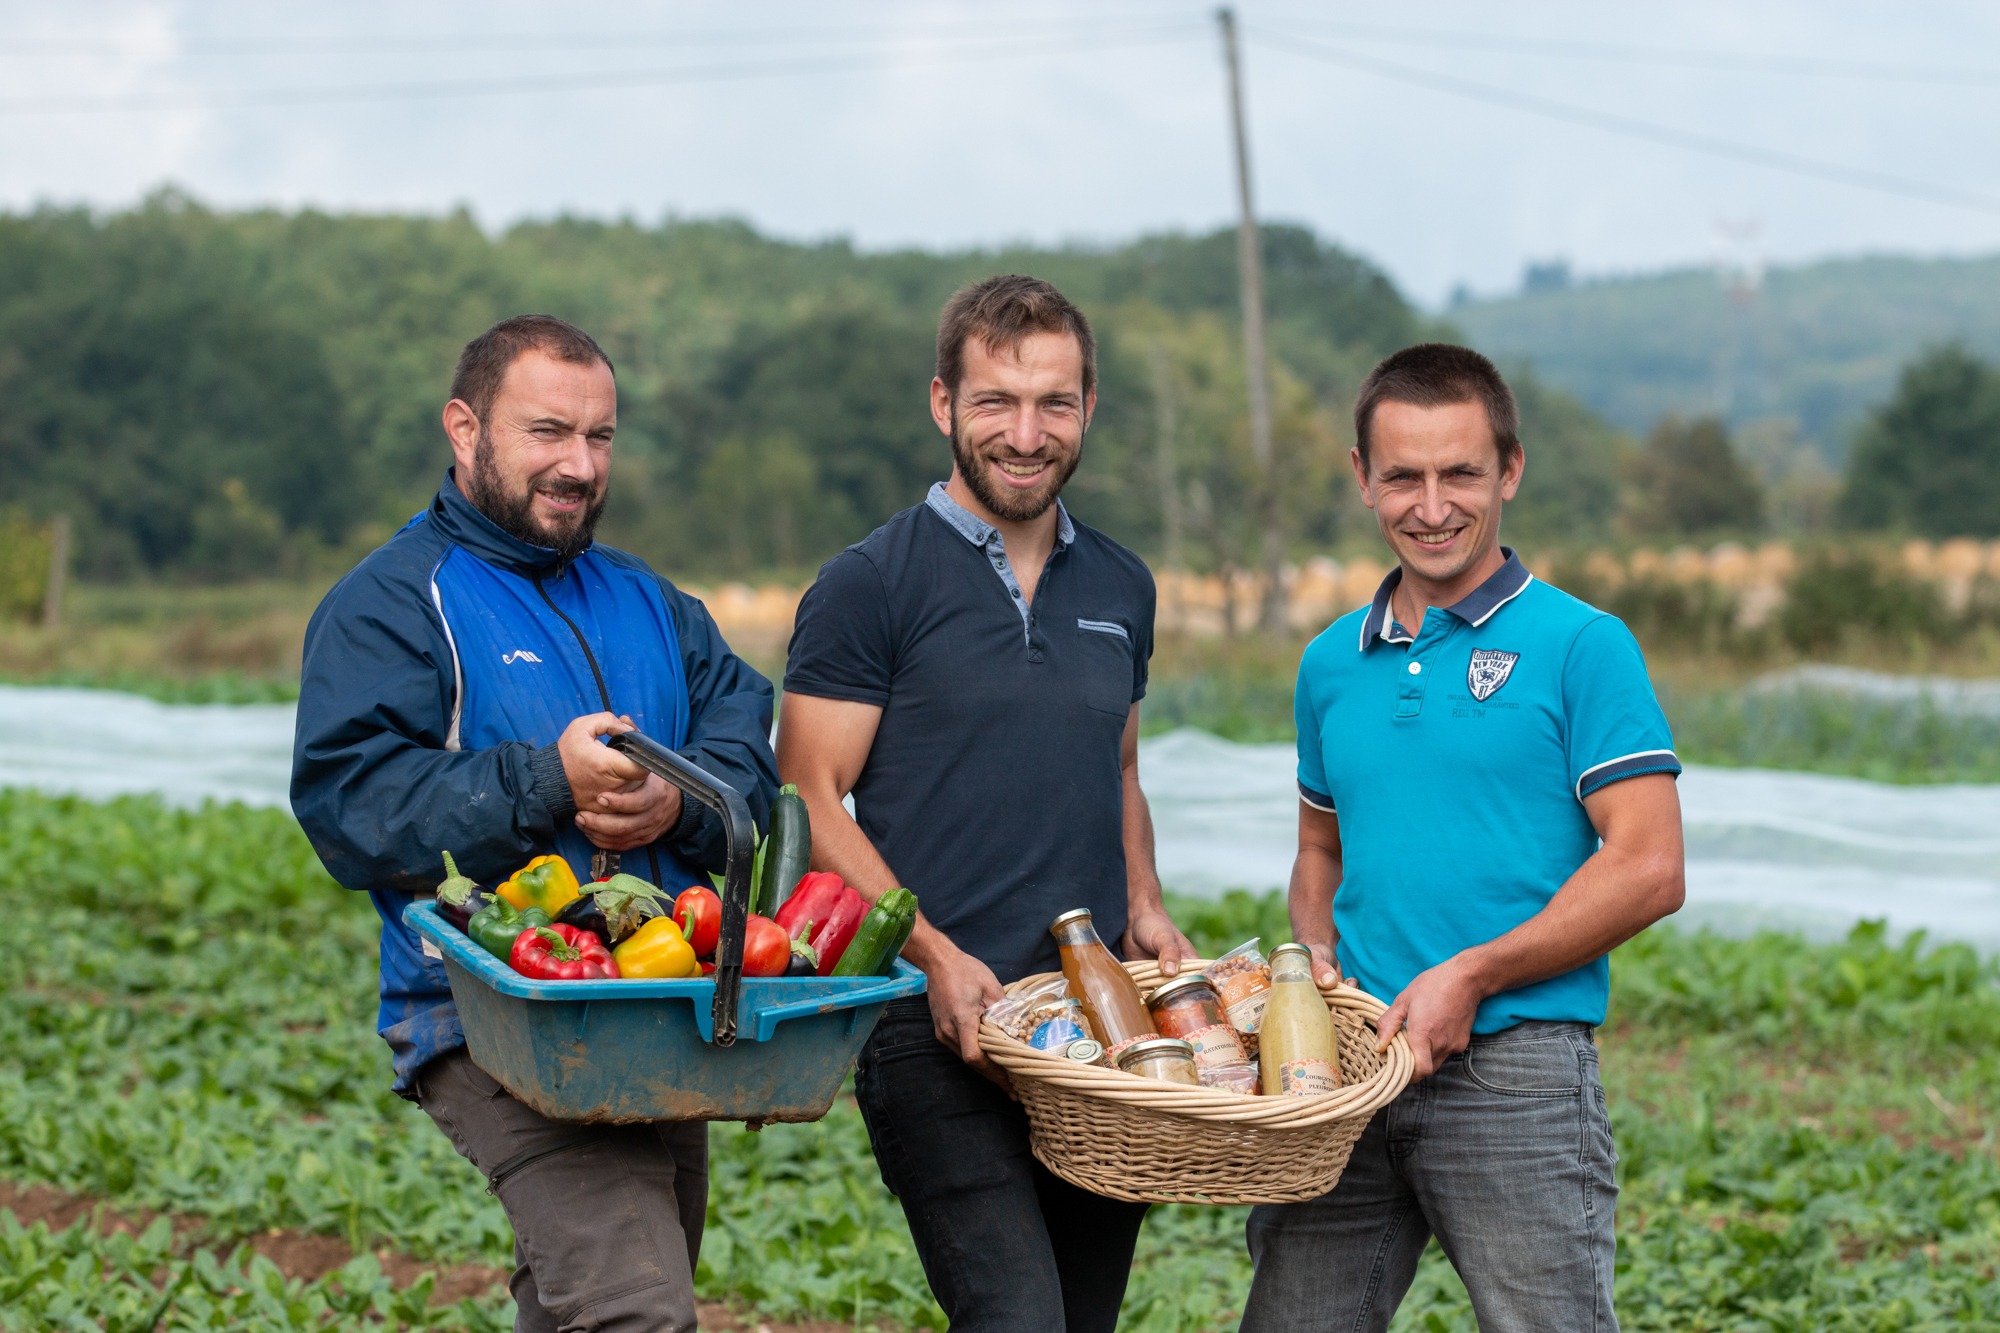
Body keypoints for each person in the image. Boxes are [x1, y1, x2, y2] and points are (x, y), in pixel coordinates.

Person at [291, 315, 778, 1333]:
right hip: (492, 1018)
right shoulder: (392, 603)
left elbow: (742, 728)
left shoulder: (651, 601)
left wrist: (680, 799)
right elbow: (353, 810)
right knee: (636, 1308)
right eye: (547, 432)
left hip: (652, 1009)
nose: (578, 463)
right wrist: (541, 781)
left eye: (599, 438)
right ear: (463, 429)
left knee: (581, 1304)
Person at [1239, 344, 1686, 1333]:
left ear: (1509, 472)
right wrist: (1311, 962)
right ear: (1361, 478)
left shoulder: (1582, 645)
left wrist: (1471, 975)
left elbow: (1649, 867)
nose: (1430, 505)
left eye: (1460, 474)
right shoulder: (1328, 664)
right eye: (1401, 475)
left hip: (1513, 1068)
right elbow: (1320, 849)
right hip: (1346, 1074)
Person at [778, 274, 1194, 1333]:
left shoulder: (1120, 586)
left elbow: (1121, 769)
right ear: (941, 404)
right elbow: (810, 798)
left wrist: (1143, 905)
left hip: (1094, 1029)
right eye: (995, 401)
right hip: (935, 1025)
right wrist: (932, 954)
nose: (1025, 432)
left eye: (1053, 403)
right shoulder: (868, 585)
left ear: (1087, 408)